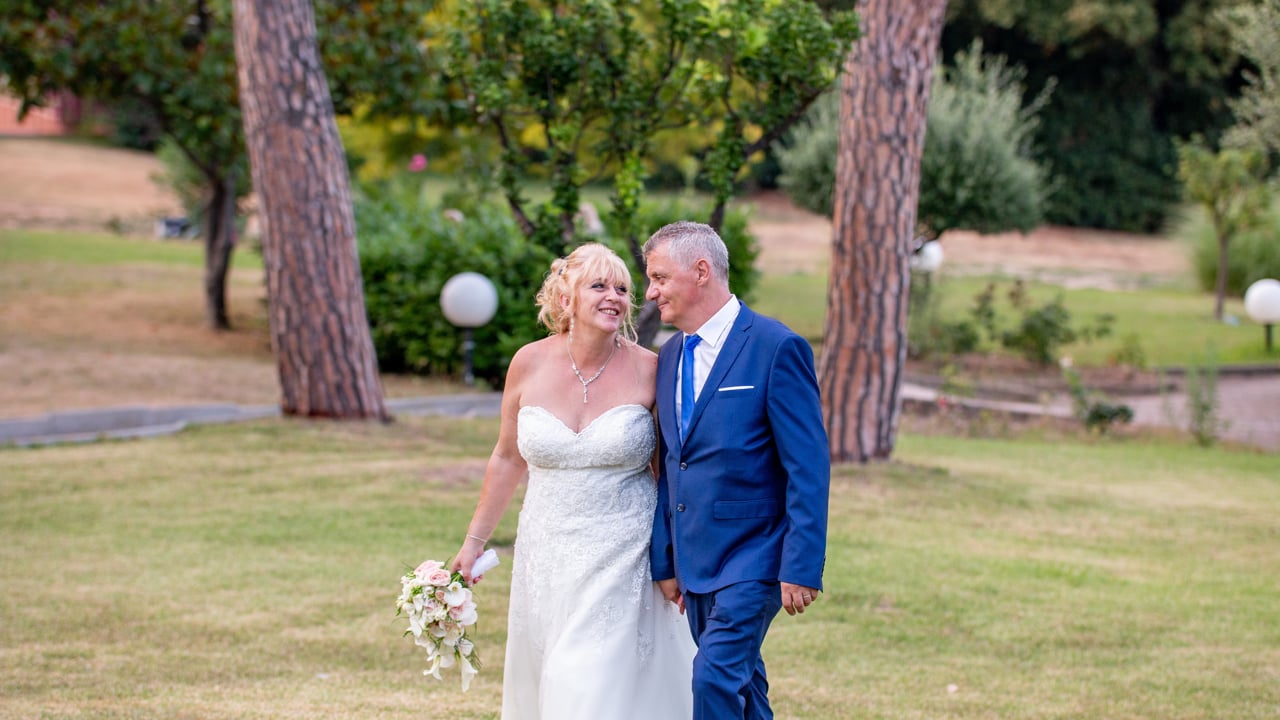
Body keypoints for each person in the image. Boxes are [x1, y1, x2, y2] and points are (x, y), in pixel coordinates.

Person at [452, 243, 695, 719]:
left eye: (623, 289)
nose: (615, 297)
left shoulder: (653, 368)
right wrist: (472, 542)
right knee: (556, 677)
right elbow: (506, 458)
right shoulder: (528, 363)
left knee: (584, 679)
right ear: (566, 300)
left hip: (623, 551)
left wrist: (676, 559)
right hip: (546, 551)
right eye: (599, 286)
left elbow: (671, 473)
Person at [644, 221, 830, 720]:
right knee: (744, 686)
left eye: (659, 277)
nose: (650, 291)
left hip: (757, 554)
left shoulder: (776, 347)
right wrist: (666, 560)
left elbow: (807, 467)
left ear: (700, 271)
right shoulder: (668, 356)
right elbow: (670, 464)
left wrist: (801, 564)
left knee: (713, 678)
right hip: (695, 556)